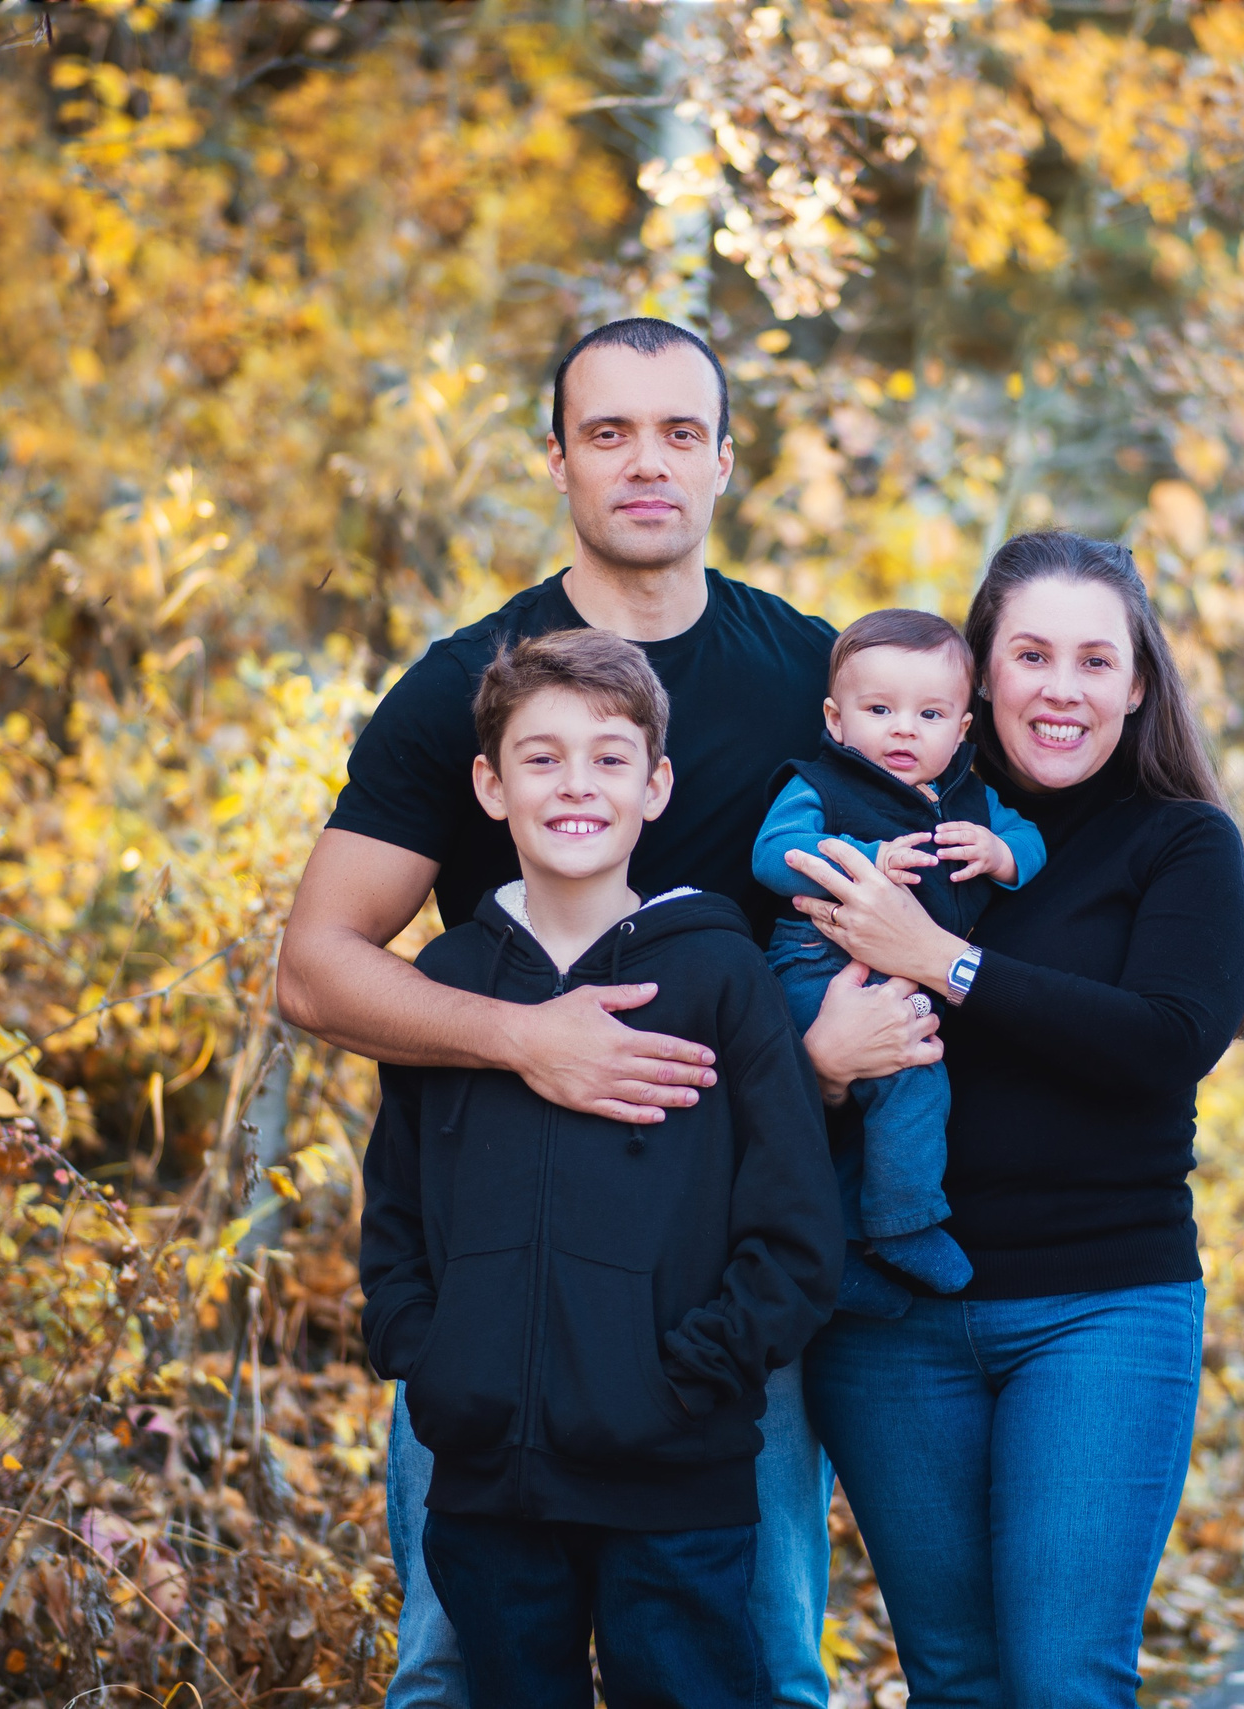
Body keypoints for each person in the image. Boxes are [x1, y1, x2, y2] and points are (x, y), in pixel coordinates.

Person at [277, 316, 938, 1709]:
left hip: (721, 1286)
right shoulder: (469, 688)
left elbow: (963, 855)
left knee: (754, 1662)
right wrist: (528, 1039)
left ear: (725, 460)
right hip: (497, 1280)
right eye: (609, 432)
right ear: (558, 459)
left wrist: (822, 1060)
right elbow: (315, 966)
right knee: (456, 1669)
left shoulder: (810, 680)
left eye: (680, 432)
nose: (647, 463)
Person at [779, 532, 1244, 1709]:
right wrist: (822, 1067)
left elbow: (1161, 1043)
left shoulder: (1178, 840)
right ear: (979, 676)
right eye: (1032, 654)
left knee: (1062, 1679)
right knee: (957, 1680)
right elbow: (784, 1023)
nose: (1062, 688)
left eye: (1095, 660)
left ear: (1138, 684)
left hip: (1098, 1306)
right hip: (889, 1319)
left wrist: (941, 959)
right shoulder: (875, 820)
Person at [360, 629, 839, 1709]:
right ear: (491, 785)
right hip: (486, 1480)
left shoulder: (720, 975)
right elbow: (395, 1210)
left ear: (655, 786)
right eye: (541, 757)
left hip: (674, 1481)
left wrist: (686, 1380)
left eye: (609, 757)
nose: (576, 783)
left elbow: (796, 1230)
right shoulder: (451, 980)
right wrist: (432, 1353)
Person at [752, 609, 1045, 1318]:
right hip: (819, 968)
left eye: (930, 714)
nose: (904, 730)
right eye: (880, 710)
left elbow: (1032, 840)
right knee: (912, 1083)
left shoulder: (973, 800)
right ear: (836, 719)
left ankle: (855, 1252)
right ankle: (905, 1227)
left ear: (962, 729)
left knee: (883, 1110)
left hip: (903, 980)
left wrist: (1001, 854)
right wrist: (864, 859)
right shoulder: (820, 784)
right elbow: (773, 854)